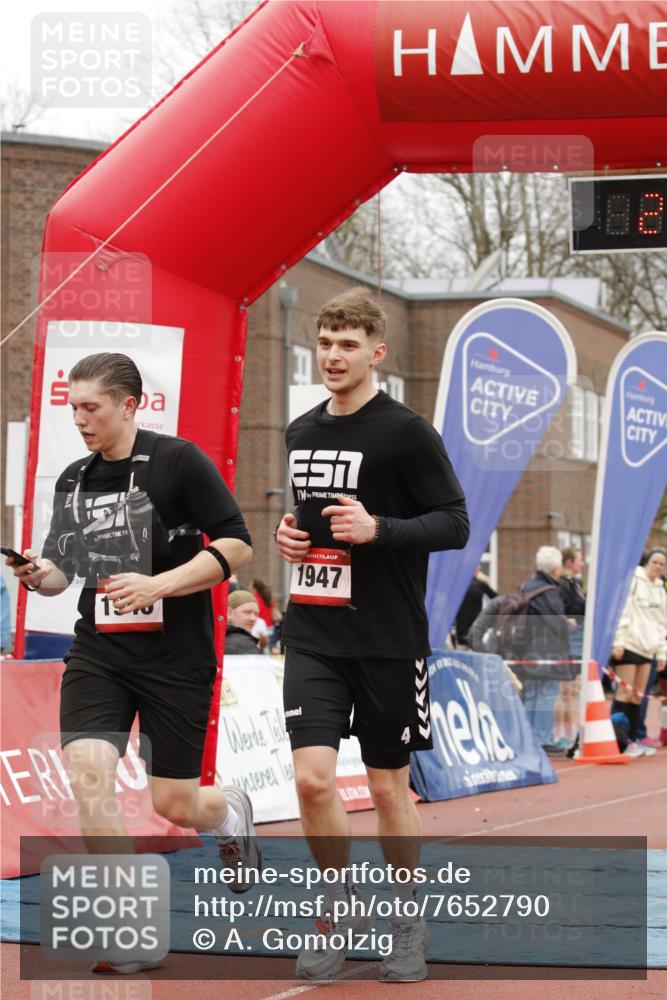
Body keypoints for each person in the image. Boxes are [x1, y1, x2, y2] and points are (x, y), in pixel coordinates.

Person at [5, 353, 260, 974]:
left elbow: (237, 543)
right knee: (88, 772)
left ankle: (227, 809)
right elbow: (64, 568)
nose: (81, 420)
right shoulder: (74, 477)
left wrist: (161, 584)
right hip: (100, 650)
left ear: (130, 405)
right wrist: (39, 576)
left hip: (177, 656)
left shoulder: (178, 461)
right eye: (73, 409)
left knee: (175, 804)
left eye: (91, 407)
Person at [275, 287, 469, 982]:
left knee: (388, 788)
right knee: (311, 779)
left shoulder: (406, 432)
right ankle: (336, 906)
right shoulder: (299, 430)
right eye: (325, 343)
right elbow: (309, 518)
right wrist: (290, 537)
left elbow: (453, 522)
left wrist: (380, 528)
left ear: (375, 353)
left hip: (388, 638)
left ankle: (406, 918)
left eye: (348, 345)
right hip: (314, 633)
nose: (333, 355)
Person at [610, 548, 667, 757]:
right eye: (655, 562)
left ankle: (633, 739)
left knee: (637, 697)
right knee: (624, 693)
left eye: (662, 564)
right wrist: (618, 641)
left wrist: (662, 653)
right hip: (630, 644)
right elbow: (623, 612)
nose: (658, 567)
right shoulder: (634, 581)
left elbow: (662, 623)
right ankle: (618, 739)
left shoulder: (660, 590)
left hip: (648, 648)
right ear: (647, 562)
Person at [519, 546, 570, 755]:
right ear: (555, 569)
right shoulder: (549, 592)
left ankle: (528, 737)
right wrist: (568, 625)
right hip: (547, 650)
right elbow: (557, 623)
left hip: (524, 649)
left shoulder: (525, 587)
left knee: (531, 694)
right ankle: (542, 738)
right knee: (547, 694)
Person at [554, 547, 586, 747]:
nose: (583, 564)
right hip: (567, 640)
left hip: (578, 639)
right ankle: (560, 735)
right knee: (564, 690)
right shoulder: (562, 585)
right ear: (569, 562)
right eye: (580, 560)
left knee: (573, 690)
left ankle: (571, 732)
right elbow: (560, 610)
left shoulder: (575, 583)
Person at [454, 566, 497, 648]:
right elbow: (496, 598)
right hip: (476, 630)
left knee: (461, 656)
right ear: (476, 571)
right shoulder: (480, 584)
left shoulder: (458, 584)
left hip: (461, 631)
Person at [225, 589, 262, 653]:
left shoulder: (216, 638)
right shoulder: (245, 644)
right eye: (247, 612)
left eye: (256, 614)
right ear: (229, 613)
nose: (253, 619)